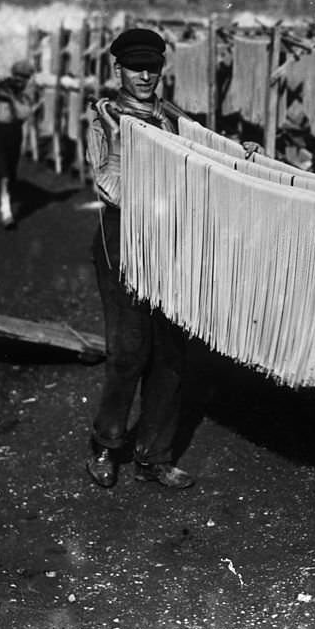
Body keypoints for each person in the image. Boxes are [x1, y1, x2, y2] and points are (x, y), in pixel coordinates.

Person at [84, 28, 195, 490]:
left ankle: (153, 455)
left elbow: (204, 154)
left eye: (153, 67)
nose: (145, 76)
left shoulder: (173, 117)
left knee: (171, 353)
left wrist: (239, 157)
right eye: (136, 68)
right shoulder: (105, 118)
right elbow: (109, 187)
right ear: (118, 70)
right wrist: (121, 143)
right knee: (129, 352)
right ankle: (107, 445)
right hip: (123, 241)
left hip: (169, 242)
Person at [0, 59, 38, 228]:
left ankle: (6, 197)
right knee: (3, 172)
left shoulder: (27, 92)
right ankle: (6, 212)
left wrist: (12, 98)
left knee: (11, 172)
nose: (20, 80)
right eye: (17, 76)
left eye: (24, 77)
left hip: (14, 132)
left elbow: (24, 113)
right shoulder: (2, 87)